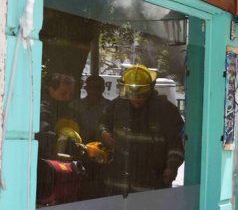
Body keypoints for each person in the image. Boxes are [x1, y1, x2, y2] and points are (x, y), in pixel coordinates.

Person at [99, 64, 184, 193]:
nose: (136, 99)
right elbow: (101, 123)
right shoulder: (117, 106)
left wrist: (171, 167)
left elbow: (176, 144)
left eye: (141, 94)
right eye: (132, 94)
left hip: (151, 187)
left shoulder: (166, 111)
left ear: (150, 89)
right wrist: (104, 133)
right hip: (117, 185)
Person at [38, 73, 80, 157]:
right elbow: (45, 137)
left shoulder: (72, 113)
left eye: (71, 94)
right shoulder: (43, 111)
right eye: (63, 93)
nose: (68, 97)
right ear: (51, 90)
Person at [73, 75, 111, 143]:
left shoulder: (110, 107)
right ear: (86, 88)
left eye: (97, 88)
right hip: (80, 145)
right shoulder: (76, 105)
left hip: (104, 147)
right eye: (90, 87)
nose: (94, 90)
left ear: (103, 88)